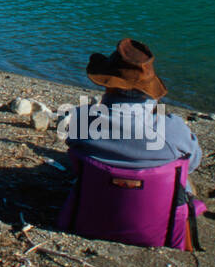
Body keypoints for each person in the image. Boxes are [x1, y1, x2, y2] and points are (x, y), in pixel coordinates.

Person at [62, 38, 201, 177]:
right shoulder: (171, 130)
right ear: (148, 90)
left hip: (92, 196)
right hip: (157, 196)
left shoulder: (83, 123)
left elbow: (73, 148)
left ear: (108, 84)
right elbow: (193, 161)